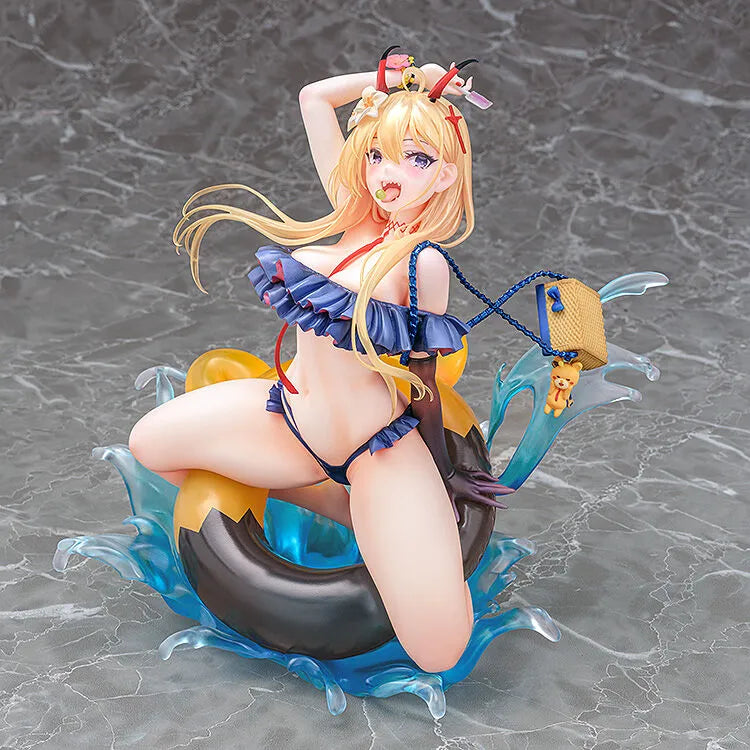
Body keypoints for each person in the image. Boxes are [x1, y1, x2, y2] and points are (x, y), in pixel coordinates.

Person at [128, 49, 513, 673]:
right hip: (289, 421)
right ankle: (331, 499)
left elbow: (422, 378)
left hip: (374, 449)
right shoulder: (356, 211)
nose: (390, 174)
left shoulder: (423, 263)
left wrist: (443, 473)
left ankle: (365, 503)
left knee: (439, 651)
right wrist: (394, 80)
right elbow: (314, 97)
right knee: (150, 444)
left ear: (446, 175)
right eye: (379, 155)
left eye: (417, 159)